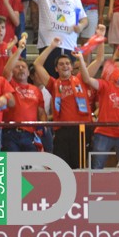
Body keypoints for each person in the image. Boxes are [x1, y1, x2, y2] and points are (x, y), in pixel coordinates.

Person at [33, 31, 105, 169]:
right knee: (61, 168)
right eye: (61, 64)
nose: (65, 65)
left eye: (67, 63)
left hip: (81, 129)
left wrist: (100, 38)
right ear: (56, 69)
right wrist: (52, 46)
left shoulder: (82, 79)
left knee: (81, 167)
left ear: (72, 67)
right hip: (61, 131)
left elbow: (100, 59)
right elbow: (37, 64)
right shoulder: (53, 84)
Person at [13, 0, 87, 77]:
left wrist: (81, 26)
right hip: (47, 46)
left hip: (69, 47)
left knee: (67, 83)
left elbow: (84, 19)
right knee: (49, 83)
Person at [76, 50, 119, 169]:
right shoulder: (105, 85)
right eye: (115, 69)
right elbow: (87, 79)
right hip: (103, 133)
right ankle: (93, 188)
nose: (118, 72)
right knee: (96, 168)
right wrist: (81, 59)